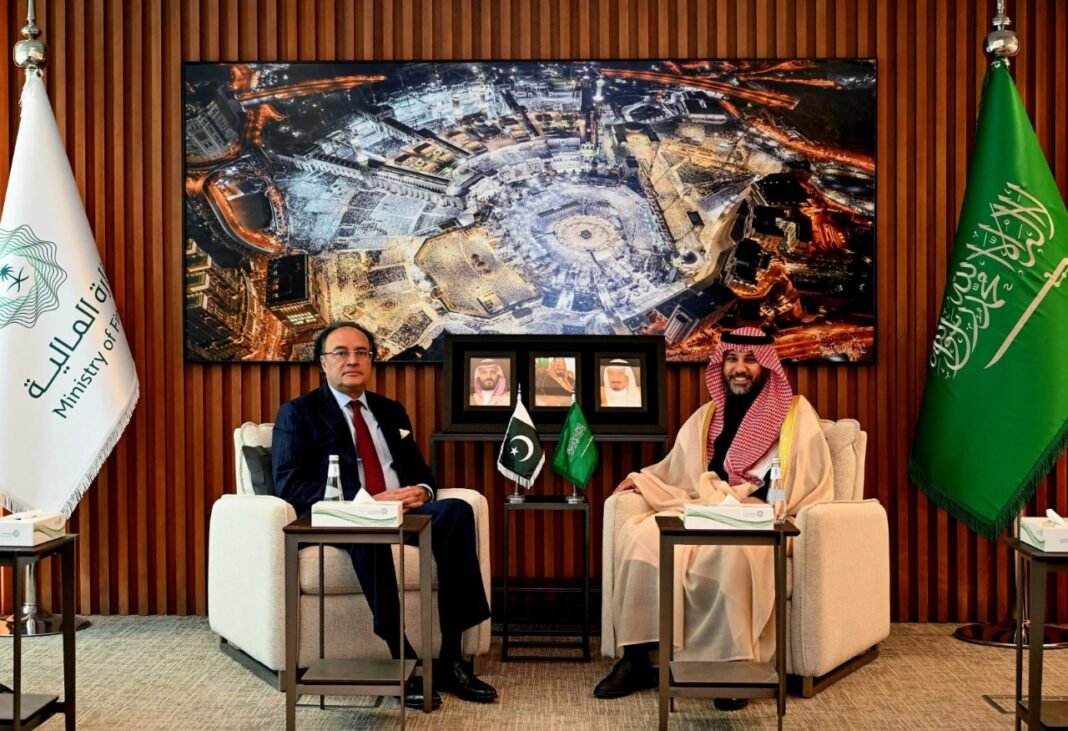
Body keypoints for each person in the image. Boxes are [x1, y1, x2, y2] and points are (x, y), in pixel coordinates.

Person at [593, 327, 833, 710]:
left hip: (757, 515)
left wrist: (755, 501)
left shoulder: (795, 415)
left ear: (766, 366)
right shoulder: (707, 416)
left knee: (731, 554)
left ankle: (732, 670)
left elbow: (809, 479)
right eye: (732, 359)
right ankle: (637, 658)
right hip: (704, 507)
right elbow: (676, 470)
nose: (740, 368)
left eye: (750, 360)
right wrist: (644, 482)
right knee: (641, 537)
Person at [273, 321, 498, 709]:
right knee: (369, 531)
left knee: (457, 511)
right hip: (349, 517)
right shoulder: (298, 413)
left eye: (361, 353)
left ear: (372, 361)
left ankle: (451, 658)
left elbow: (422, 472)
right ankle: (400, 657)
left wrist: (422, 491)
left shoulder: (391, 410)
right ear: (323, 362)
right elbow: (289, 484)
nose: (352, 360)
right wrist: (367, 502)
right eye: (341, 353)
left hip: (403, 511)